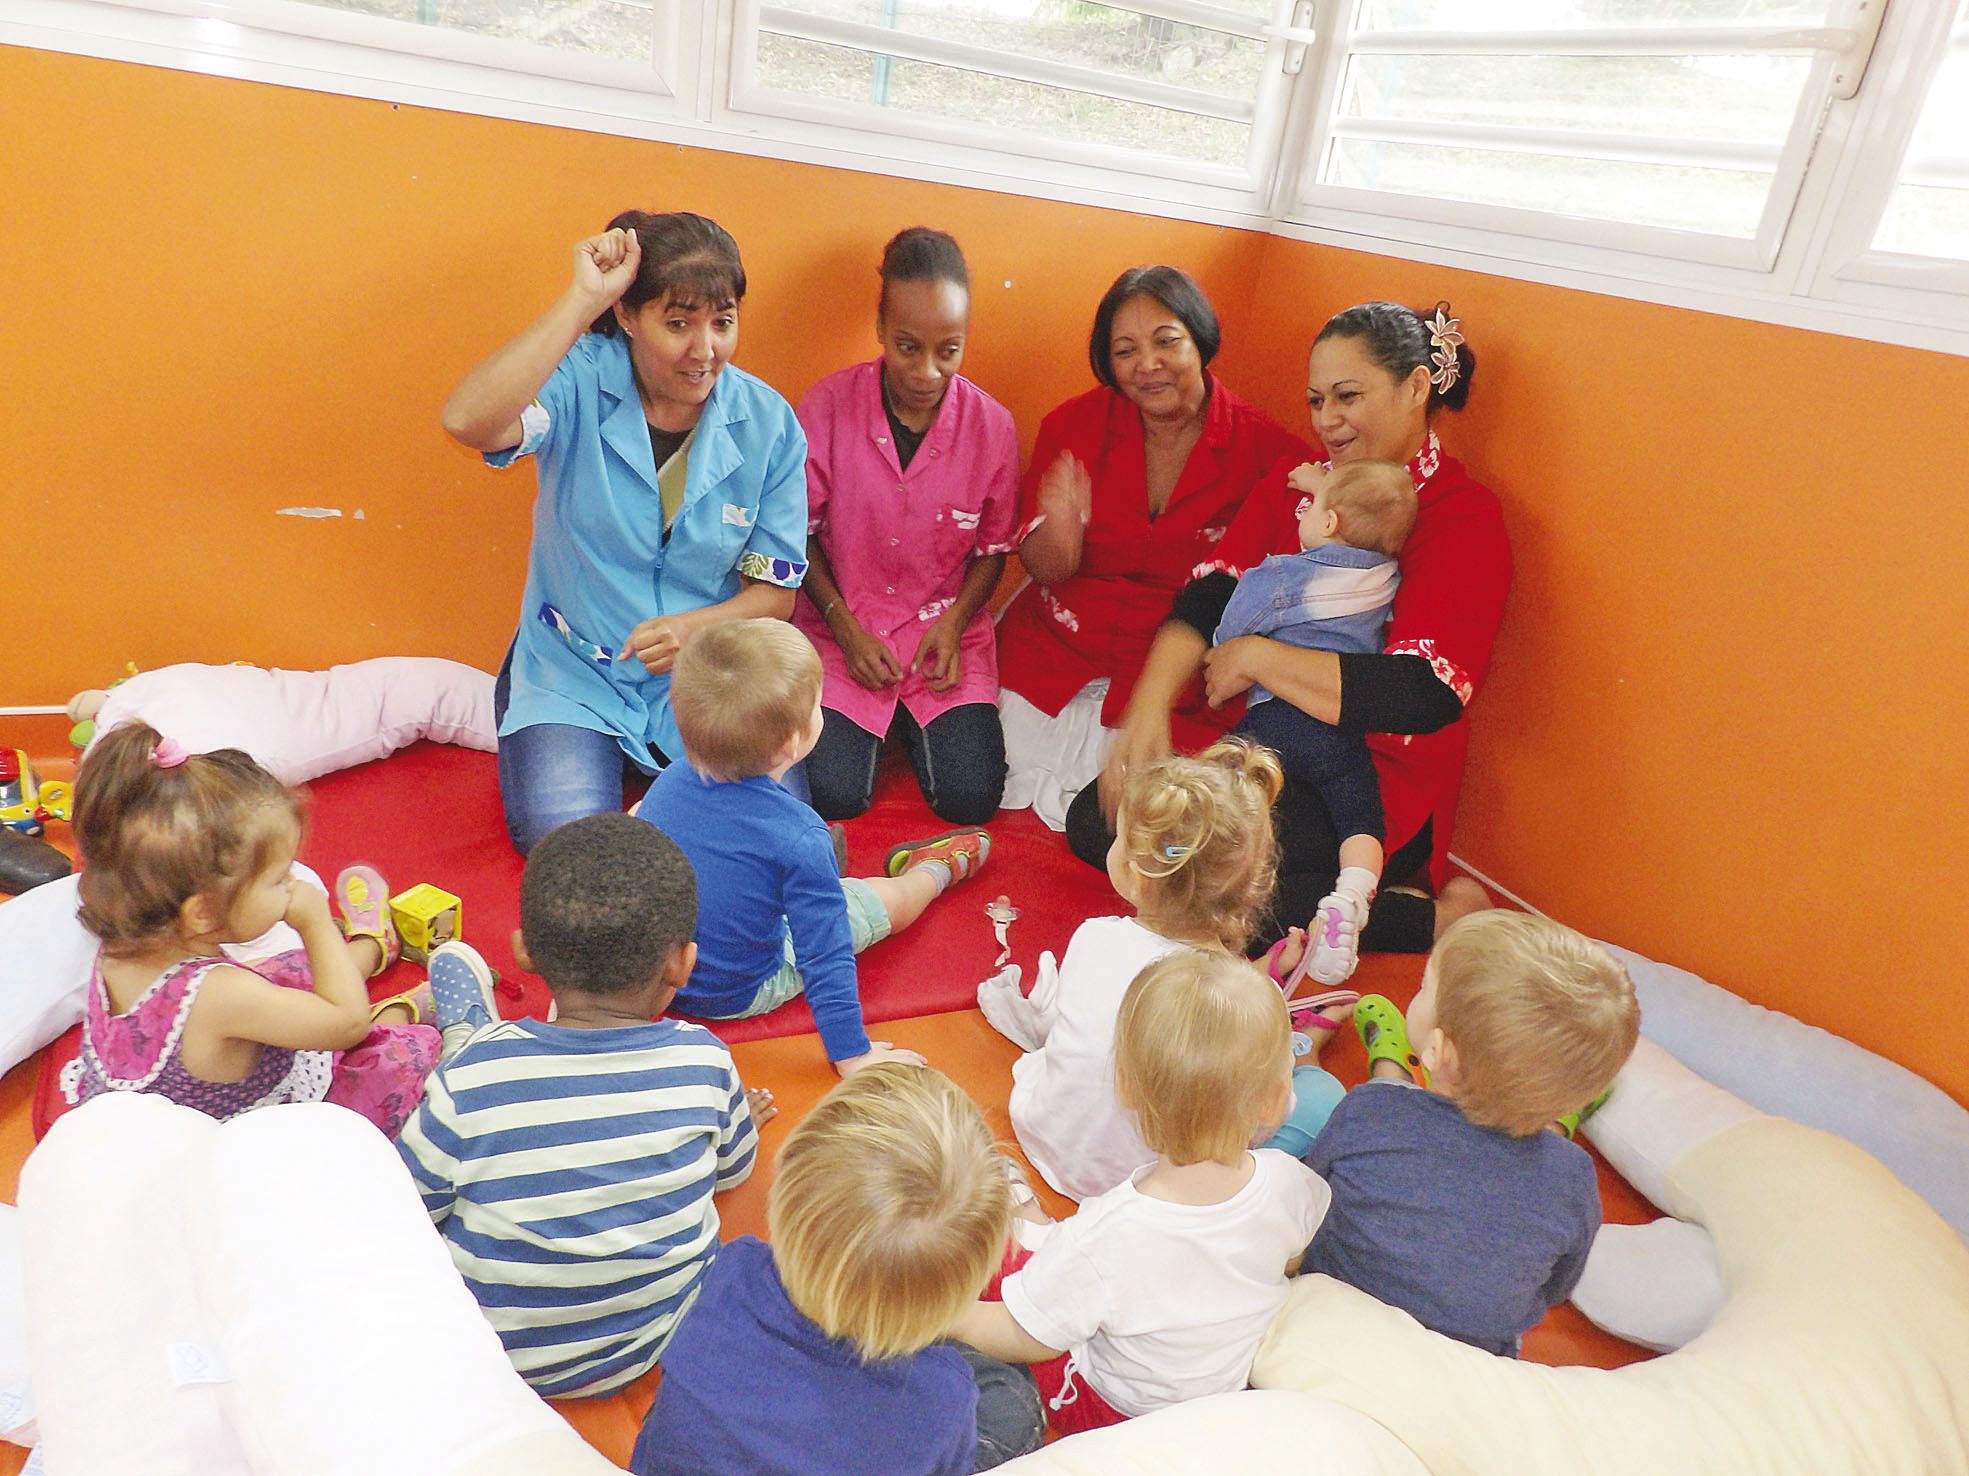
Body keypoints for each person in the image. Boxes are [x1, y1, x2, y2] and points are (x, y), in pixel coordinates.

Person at [1081, 299, 1510, 956]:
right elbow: (1207, 597)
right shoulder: (1300, 489)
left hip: (1367, 775)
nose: (1326, 421)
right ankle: (1346, 900)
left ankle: (1429, 921)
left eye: (1346, 396)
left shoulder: (1464, 518)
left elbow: (1420, 693)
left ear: (1416, 387)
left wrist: (1254, 656)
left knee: (1207, 886)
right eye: (1315, 401)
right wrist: (1147, 711)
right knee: (1105, 824)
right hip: (1259, 740)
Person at [441, 210, 810, 854]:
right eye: (677, 323)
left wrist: (697, 629)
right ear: (628, 317)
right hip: (575, 674)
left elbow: (775, 599)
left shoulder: (769, 424)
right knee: (572, 852)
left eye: (722, 323)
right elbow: (467, 420)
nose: (705, 351)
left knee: (771, 843)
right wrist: (583, 297)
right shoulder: (578, 380)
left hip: (709, 681)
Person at [395, 812, 772, 1398]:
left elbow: (407, 1209)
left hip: (493, 1358)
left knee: (473, 1088)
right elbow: (735, 1171)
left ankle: (468, 1027)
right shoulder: (704, 1062)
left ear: (524, 952)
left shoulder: (473, 1081)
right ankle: (471, 1028)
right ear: (682, 963)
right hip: (647, 1345)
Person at [954, 950, 1329, 1435]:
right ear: (1277, 1101)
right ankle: (1032, 1225)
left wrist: (953, 1318)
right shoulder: (1289, 1182)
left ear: (1126, 1088)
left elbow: (1030, 1336)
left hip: (1108, 1411)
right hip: (1214, 1405)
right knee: (1069, 1266)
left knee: (1003, 1259)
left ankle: (1021, 1219)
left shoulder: (1109, 1231)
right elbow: (1293, 1257)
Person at [995, 266, 1308, 830]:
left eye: (1167, 341)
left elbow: (1255, 599)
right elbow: (1042, 568)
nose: (1148, 365)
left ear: (1200, 338)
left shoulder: (1271, 456)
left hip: (1173, 684)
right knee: (974, 780)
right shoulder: (1072, 425)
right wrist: (1060, 539)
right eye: (1125, 350)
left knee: (1150, 825)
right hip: (1052, 657)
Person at [630, 1063, 1045, 1476]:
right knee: (1015, 1406)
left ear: (785, 1191)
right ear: (966, 1287)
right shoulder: (942, 1394)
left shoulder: (733, 1269)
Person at [982, 739, 1349, 1202]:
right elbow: (1263, 1119)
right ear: (1252, 885)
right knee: (1320, 1096)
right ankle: (1306, 1052)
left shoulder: (1094, 936)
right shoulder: (1259, 1003)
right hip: (1152, 1187)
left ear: (1136, 875)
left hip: (1051, 1143)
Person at [634, 620, 989, 1075]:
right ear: (792, 742)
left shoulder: (667, 783)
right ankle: (934, 871)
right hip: (737, 991)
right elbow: (825, 954)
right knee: (882, 901)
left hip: (659, 979)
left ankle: (805, 882)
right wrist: (852, 1054)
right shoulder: (799, 834)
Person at [63, 722, 443, 1136]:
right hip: (248, 1139)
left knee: (282, 969)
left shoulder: (123, 945)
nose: (294, 884)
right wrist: (316, 922)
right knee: (398, 1056)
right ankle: (397, 1011)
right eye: (279, 878)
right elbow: (347, 1026)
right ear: (204, 912)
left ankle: (371, 950)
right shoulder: (223, 993)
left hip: (171, 1102)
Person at [1291, 911, 1639, 1356]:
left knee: (1390, 1100)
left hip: (1330, 1335)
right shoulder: (1573, 1178)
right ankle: (1549, 1116)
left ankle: (1392, 1058)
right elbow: (1555, 1288)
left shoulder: (1371, 1110)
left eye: (1424, 987)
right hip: (1470, 1368)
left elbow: (1311, 1201)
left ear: (1437, 1050)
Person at [794, 227, 1019, 824]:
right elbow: (799, 534)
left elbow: (994, 548)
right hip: (844, 623)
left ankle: (902, 720)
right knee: (833, 793)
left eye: (949, 350)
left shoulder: (992, 427)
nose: (926, 371)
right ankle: (872, 722)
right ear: (879, 330)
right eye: (907, 346)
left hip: (941, 636)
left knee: (971, 799)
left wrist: (955, 621)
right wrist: (844, 627)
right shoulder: (825, 408)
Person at [1215, 459, 1417, 985]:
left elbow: (1231, 635)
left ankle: (1203, 890)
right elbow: (1354, 516)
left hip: (1270, 727)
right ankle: (1351, 897)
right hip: (1336, 735)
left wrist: (1229, 649)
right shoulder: (1386, 578)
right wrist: (1320, 485)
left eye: (1313, 508)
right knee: (1360, 819)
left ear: (1326, 523)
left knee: (1227, 810)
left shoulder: (1282, 575)